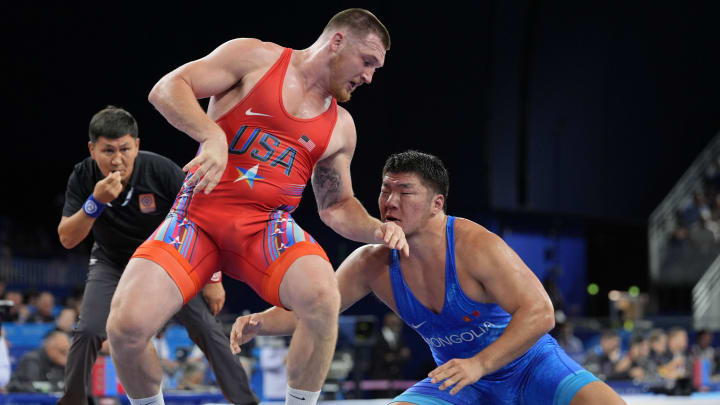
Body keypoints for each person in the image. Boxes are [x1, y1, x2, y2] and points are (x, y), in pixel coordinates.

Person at [105, 8, 404, 405]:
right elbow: (166, 88)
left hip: (265, 228)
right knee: (125, 328)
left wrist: (377, 229)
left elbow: (336, 206)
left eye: (375, 69)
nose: (368, 76)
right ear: (337, 41)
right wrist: (211, 135)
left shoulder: (341, 126)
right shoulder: (255, 58)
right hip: (195, 220)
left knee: (322, 298)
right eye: (367, 62)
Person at [231, 151, 626, 404]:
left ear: (438, 204)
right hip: (459, 383)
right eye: (385, 191)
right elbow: (313, 310)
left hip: (530, 368)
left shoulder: (474, 245)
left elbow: (540, 313)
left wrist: (480, 364)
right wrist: (257, 323)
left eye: (405, 192)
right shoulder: (372, 262)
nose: (389, 202)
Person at [57, 106, 257, 405]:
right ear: (92, 149)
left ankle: (246, 402)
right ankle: (72, 401)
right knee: (88, 330)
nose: (117, 159)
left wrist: (213, 278)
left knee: (205, 327)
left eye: (125, 148)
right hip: (113, 261)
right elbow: (68, 238)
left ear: (136, 144)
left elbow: (206, 220)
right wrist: (95, 202)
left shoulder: (161, 171)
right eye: (107, 150)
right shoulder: (83, 176)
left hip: (167, 260)